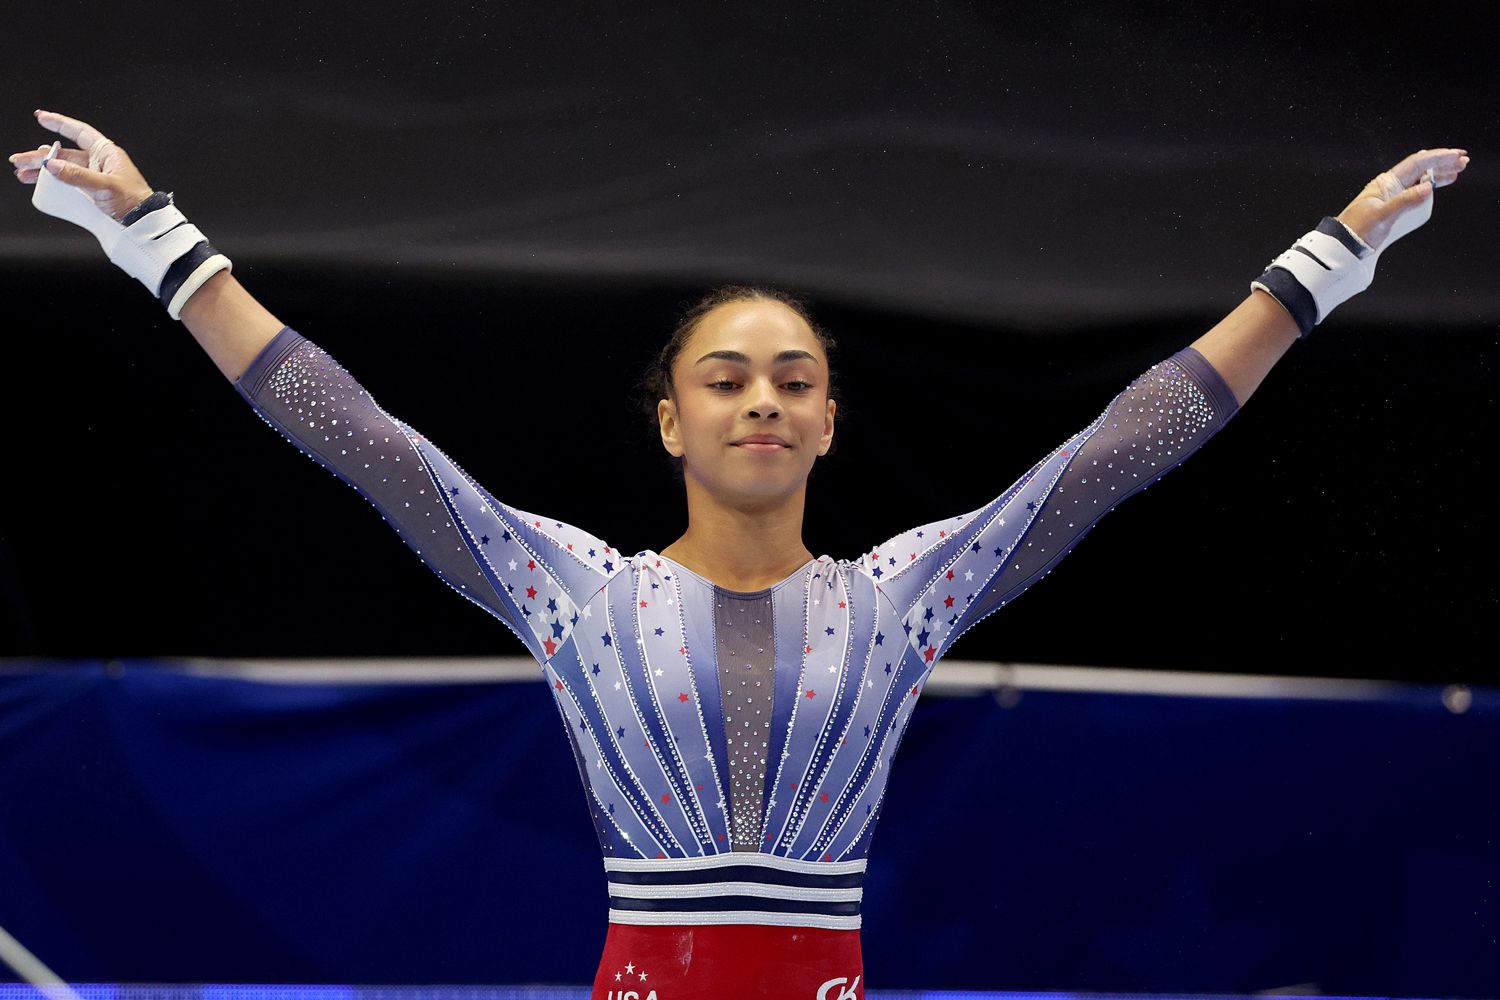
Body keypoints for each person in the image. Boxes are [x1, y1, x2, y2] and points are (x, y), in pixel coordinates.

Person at [9, 110, 1469, 1000]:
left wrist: (1324, 260)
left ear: (832, 423)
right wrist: (153, 234)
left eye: (791, 377)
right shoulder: (577, 592)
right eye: (723, 376)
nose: (760, 396)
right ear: (668, 423)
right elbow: (363, 437)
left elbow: (1115, 451)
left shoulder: (905, 597)